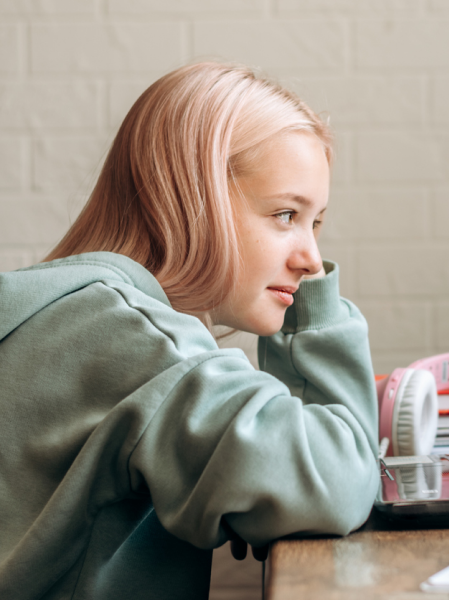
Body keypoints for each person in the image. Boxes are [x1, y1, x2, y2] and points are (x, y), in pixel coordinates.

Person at [0, 62, 379, 600]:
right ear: (192, 199)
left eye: (315, 223)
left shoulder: (63, 308)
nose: (311, 261)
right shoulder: (141, 343)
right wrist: (313, 312)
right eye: (284, 215)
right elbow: (336, 482)